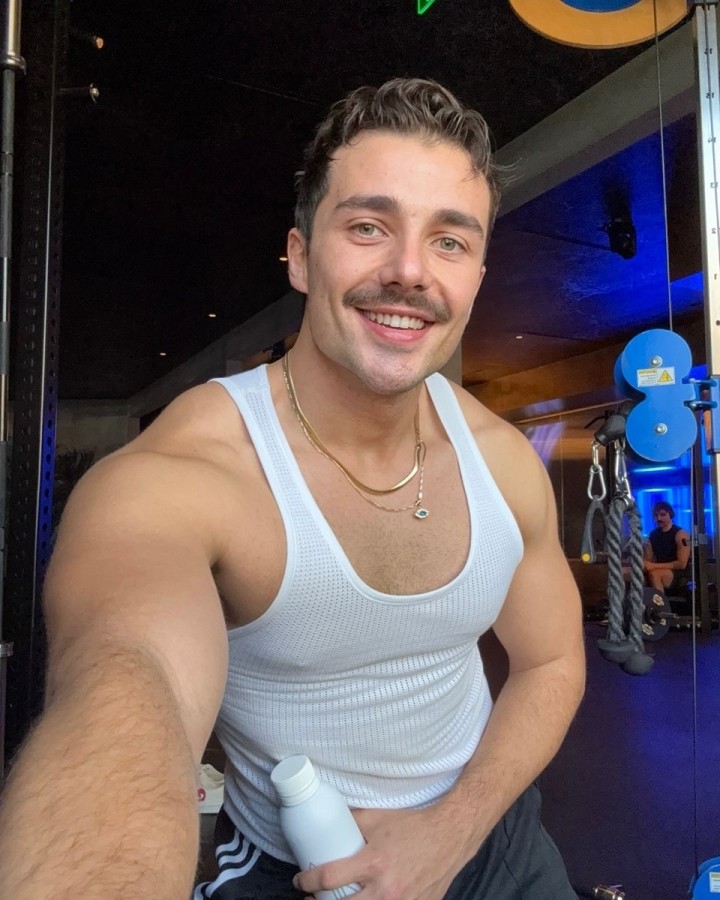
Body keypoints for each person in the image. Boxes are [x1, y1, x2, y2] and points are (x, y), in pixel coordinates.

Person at [0, 78, 585, 899]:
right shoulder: (188, 475)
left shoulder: (503, 460)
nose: (409, 271)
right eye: (369, 227)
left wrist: (453, 828)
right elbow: (127, 680)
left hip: (496, 841)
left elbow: (551, 660)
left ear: (478, 276)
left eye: (449, 241)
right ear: (302, 256)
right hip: (297, 872)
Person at [644, 500, 691, 594]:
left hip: (678, 573)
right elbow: (649, 560)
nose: (659, 518)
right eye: (656, 515)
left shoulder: (681, 534)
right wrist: (646, 548)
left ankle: (660, 603)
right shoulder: (653, 535)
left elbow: (681, 564)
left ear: (670, 515)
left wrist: (653, 566)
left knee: (654, 575)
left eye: (663, 515)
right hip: (658, 568)